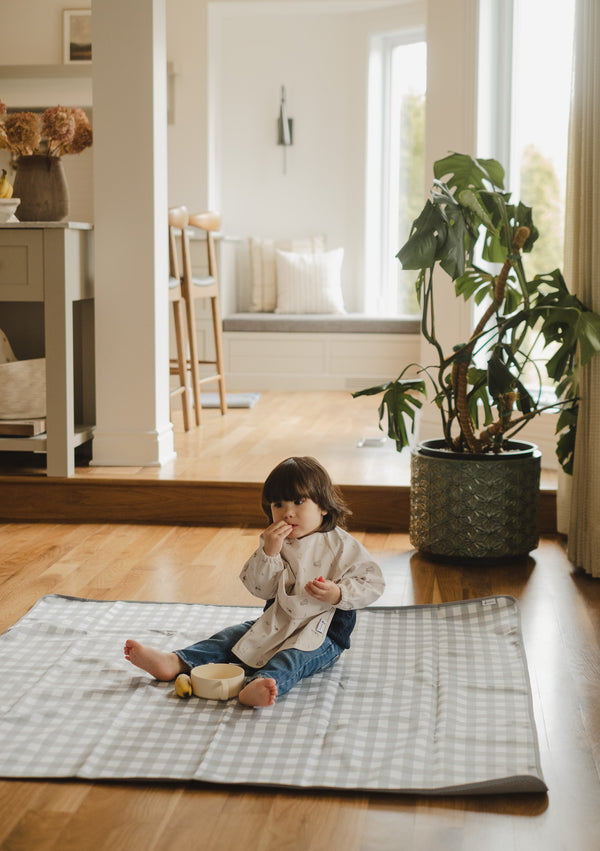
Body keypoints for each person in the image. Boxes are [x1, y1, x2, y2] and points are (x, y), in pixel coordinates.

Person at [124, 456, 385, 708]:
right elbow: (261, 589)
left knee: (293, 657)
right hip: (278, 620)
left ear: (323, 506)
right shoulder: (274, 542)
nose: (288, 513)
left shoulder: (342, 545)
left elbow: (372, 582)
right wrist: (269, 553)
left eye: (298, 501)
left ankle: (263, 684)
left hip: (323, 633)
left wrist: (339, 593)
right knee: (232, 637)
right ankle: (176, 661)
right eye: (278, 505)